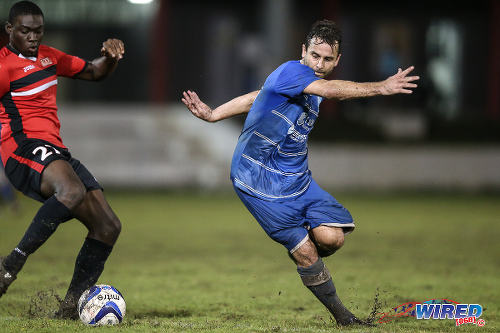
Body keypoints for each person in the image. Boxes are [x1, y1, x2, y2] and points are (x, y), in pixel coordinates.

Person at [182, 19, 419, 326]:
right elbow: (331, 90)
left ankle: (301, 243)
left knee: (332, 239)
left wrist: (214, 113)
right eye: (315, 56)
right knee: (307, 253)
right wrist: (381, 88)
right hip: (257, 179)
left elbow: (258, 96)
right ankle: (344, 318)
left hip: (297, 178)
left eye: (328, 59)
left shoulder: (303, 83)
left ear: (338, 60)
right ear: (303, 50)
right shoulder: (294, 71)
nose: (319, 64)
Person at [0, 1, 124, 319]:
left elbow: (95, 72)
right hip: (21, 149)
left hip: (55, 150)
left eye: (38, 31)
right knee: (71, 191)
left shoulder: (50, 57)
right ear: (9, 30)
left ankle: (68, 310)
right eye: (25, 30)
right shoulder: (2, 66)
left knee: (108, 226)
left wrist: (110, 58)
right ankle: (11, 263)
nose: (32, 37)